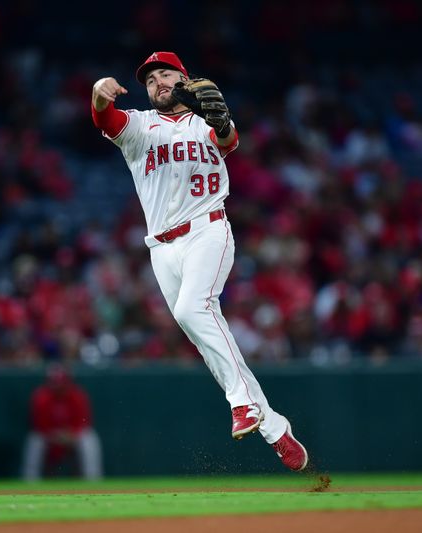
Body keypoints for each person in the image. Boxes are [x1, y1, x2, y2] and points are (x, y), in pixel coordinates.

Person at [91, 51, 309, 472]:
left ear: (184, 79)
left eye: (165, 74)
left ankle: (243, 405)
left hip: (208, 230)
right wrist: (100, 94)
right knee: (206, 338)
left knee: (194, 310)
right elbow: (105, 119)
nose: (156, 82)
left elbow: (228, 141)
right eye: (150, 78)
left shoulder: (204, 121)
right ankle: (276, 430)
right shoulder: (138, 126)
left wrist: (223, 122)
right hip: (161, 249)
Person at [20, 365, 103, 480]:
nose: (58, 388)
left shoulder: (77, 396)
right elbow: (40, 425)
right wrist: (54, 436)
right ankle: (30, 480)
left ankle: (92, 480)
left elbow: (83, 423)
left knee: (88, 438)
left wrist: (71, 435)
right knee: (35, 439)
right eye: (55, 384)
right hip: (49, 436)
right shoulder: (42, 397)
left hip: (72, 436)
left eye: (62, 385)